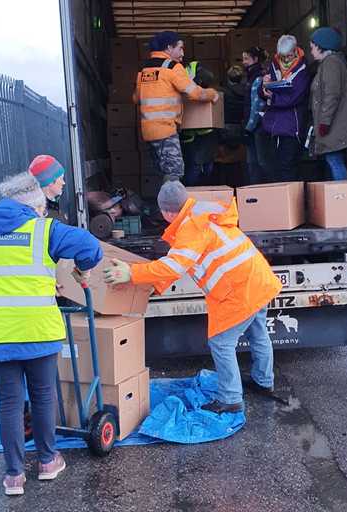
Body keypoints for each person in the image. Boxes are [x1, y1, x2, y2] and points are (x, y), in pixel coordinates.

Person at [0, 172, 103, 496]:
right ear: (35, 206)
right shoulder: (44, 230)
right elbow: (90, 245)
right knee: (44, 394)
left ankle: (14, 476)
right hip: (36, 328)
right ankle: (48, 462)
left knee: (9, 402)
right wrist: (82, 268)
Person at [102, 181, 282, 413]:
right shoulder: (201, 213)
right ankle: (263, 382)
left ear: (167, 212)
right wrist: (154, 286)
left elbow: (175, 265)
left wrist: (132, 273)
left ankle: (231, 399)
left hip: (241, 290)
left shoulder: (191, 227)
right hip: (259, 281)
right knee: (258, 333)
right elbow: (183, 262)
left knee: (221, 343)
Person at [134, 31, 219, 189]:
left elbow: (136, 98)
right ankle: (172, 210)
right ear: (168, 48)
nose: (183, 53)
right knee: (175, 173)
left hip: (148, 131)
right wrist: (212, 94)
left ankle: (163, 208)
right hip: (166, 130)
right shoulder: (173, 67)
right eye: (180, 48)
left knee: (162, 173)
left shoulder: (144, 70)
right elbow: (195, 93)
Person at [309, 27, 347, 180]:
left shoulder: (331, 64)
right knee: (333, 161)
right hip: (337, 126)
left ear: (321, 46)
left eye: (312, 47)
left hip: (336, 127)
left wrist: (324, 123)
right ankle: (342, 197)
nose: (311, 51)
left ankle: (342, 198)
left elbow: (331, 94)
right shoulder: (330, 64)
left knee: (334, 161)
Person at [260, 35, 311, 182]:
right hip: (273, 126)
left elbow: (294, 98)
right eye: (283, 56)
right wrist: (264, 88)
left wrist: (272, 97)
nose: (286, 60)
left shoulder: (302, 71)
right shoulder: (274, 65)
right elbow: (263, 91)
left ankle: (291, 201)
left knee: (288, 166)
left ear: (295, 51)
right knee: (275, 166)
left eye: (289, 56)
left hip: (292, 126)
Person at [180, 60, 220, 186]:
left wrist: (197, 82)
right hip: (188, 131)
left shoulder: (192, 67)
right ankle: (193, 195)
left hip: (203, 129)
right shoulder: (170, 71)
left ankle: (201, 191)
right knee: (193, 166)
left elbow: (208, 77)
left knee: (203, 165)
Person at [242, 46, 270, 184]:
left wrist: (248, 127)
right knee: (253, 163)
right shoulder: (251, 77)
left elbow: (257, 105)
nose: (243, 62)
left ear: (256, 59)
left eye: (246, 59)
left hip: (258, 127)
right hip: (254, 127)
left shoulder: (258, 77)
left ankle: (264, 191)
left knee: (260, 162)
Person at [28, 154, 66, 219]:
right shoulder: (40, 213)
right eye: (61, 178)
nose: (63, 183)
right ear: (50, 182)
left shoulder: (52, 207)